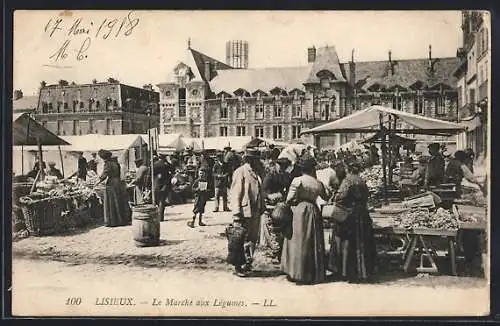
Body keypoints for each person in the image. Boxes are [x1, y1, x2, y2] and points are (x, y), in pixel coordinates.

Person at [281, 154, 330, 285]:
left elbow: (289, 199)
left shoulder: (298, 180)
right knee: (313, 241)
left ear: (302, 168)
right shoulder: (318, 183)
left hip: (300, 210)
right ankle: (313, 272)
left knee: (298, 240)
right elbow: (325, 197)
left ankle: (297, 271)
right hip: (314, 210)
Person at [328, 160, 377, 283]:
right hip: (363, 215)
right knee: (362, 243)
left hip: (350, 215)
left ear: (348, 169)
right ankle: (364, 271)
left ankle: (348, 272)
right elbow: (366, 197)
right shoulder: (362, 180)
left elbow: (340, 197)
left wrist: (335, 199)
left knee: (347, 242)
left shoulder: (347, 180)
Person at [229, 149, 265, 276]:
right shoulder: (241, 172)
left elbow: (260, 191)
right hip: (244, 211)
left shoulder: (256, 172)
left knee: (252, 239)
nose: (258, 161)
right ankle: (238, 266)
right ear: (249, 159)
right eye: (255, 159)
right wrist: (237, 212)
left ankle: (248, 263)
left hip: (255, 211)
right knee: (240, 239)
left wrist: (262, 206)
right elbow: (236, 193)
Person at [97, 149, 131, 227]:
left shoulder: (107, 164)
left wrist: (98, 181)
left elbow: (105, 174)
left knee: (111, 202)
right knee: (118, 201)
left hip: (111, 184)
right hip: (118, 183)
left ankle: (113, 221)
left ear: (103, 158)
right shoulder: (116, 163)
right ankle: (121, 220)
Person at [153, 154, 169, 221]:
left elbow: (150, 175)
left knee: (156, 201)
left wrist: (147, 185)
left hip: (155, 184)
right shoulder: (166, 164)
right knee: (162, 201)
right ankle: (161, 217)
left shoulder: (154, 164)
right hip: (164, 185)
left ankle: (156, 216)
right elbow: (169, 175)